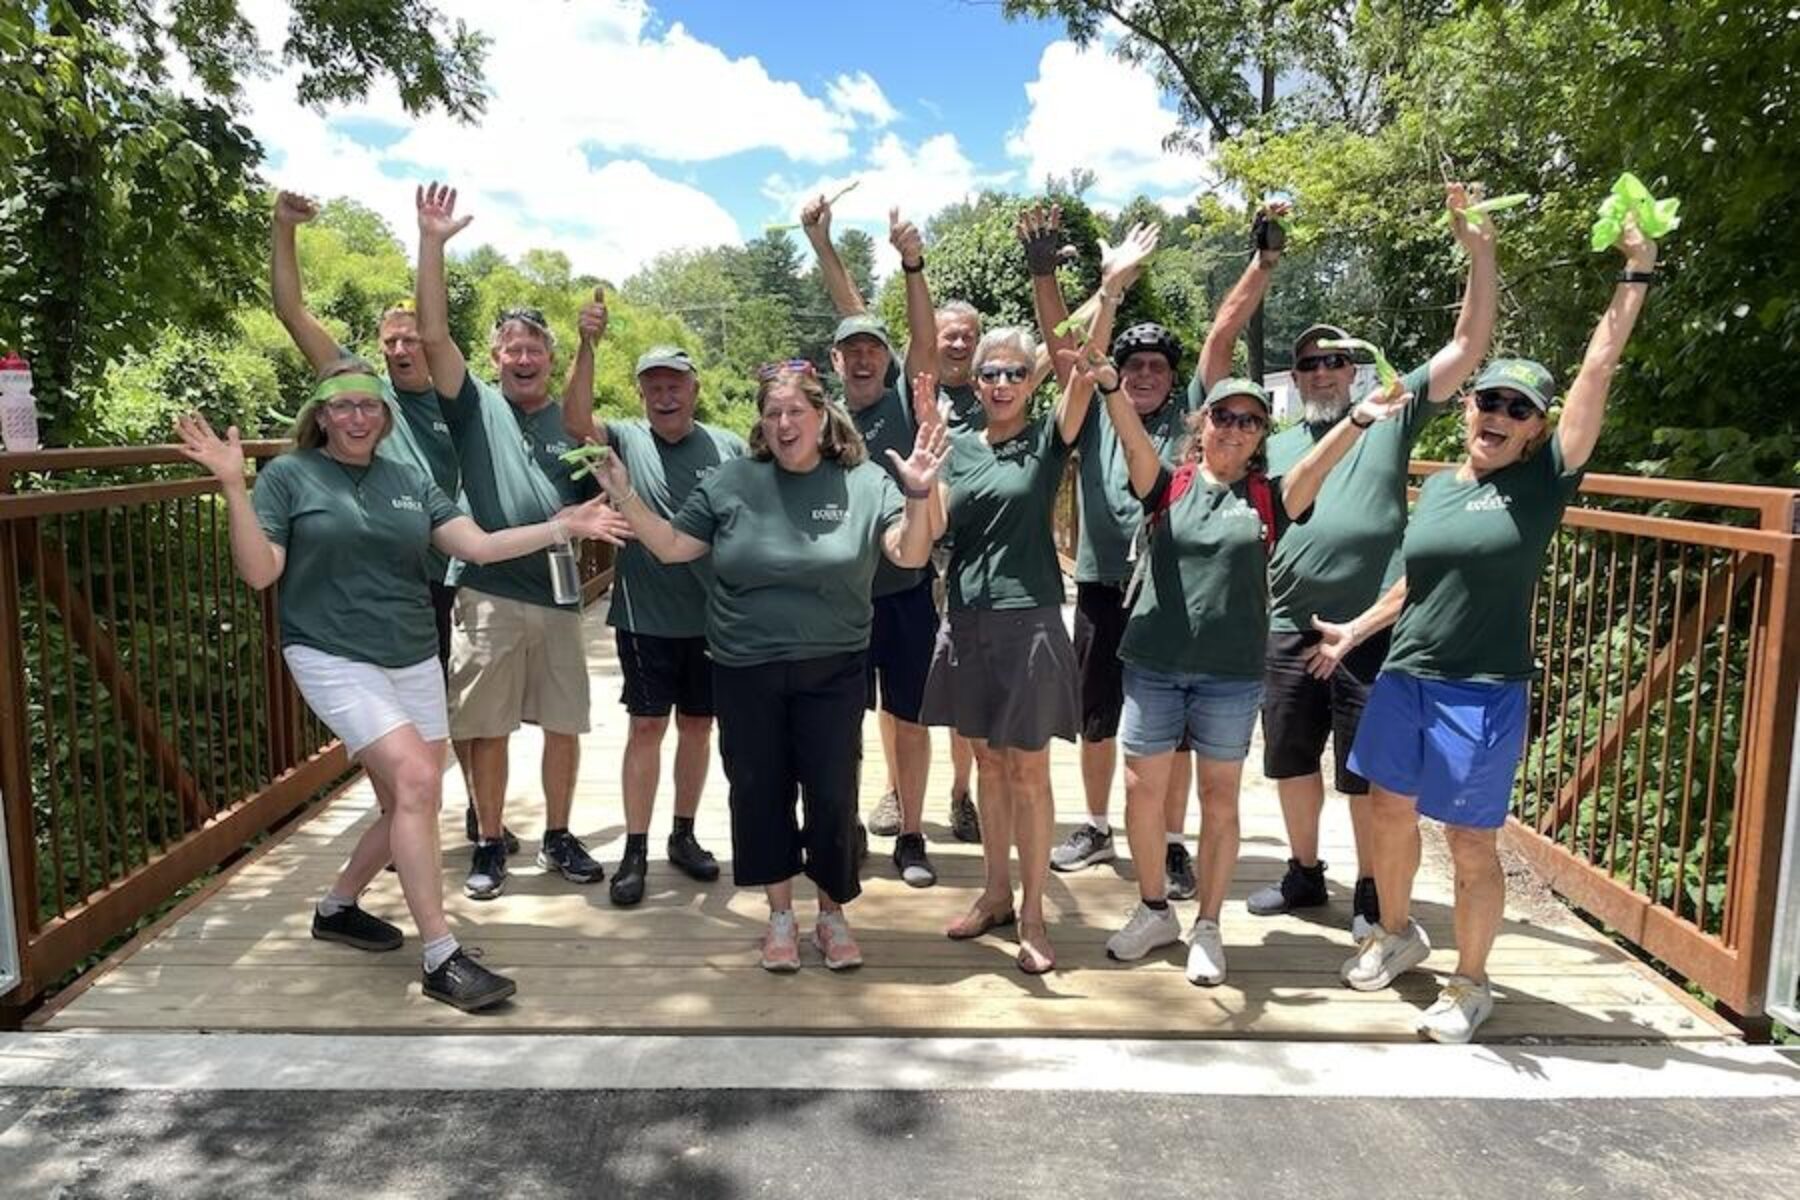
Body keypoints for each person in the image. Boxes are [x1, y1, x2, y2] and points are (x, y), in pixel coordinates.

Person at [173, 371, 626, 1011]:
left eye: (369, 406)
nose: (358, 418)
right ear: (321, 416)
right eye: (343, 407)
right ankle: (441, 955)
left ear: (383, 418)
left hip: (411, 652)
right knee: (416, 780)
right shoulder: (290, 476)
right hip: (330, 651)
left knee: (407, 798)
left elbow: (478, 545)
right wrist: (231, 487)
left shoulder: (409, 480)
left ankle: (336, 908)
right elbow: (259, 573)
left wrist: (564, 527)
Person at [1315, 219, 1659, 1042]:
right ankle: (1398, 935)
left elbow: (1599, 365)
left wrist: (1637, 270)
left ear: (1537, 426)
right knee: (1389, 811)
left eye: (1517, 408)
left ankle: (1471, 983)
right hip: (1406, 677)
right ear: (1468, 407)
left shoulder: (1544, 482)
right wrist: (1356, 630)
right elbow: (1415, 583)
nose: (1497, 414)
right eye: (1488, 400)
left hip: (1483, 690)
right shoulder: (1442, 488)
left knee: (1470, 839)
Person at [1198, 187, 1498, 938]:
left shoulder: (1391, 416)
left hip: (1370, 627)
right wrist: (1259, 264)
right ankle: (1305, 874)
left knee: (1366, 771)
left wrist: (1479, 253)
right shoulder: (1275, 436)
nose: (1324, 371)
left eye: (1336, 361)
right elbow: (1214, 357)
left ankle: (1373, 889)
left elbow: (1467, 348)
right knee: (1291, 760)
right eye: (1310, 363)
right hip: (1283, 623)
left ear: (1355, 370)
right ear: (1295, 378)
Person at [592, 364, 948, 970]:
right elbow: (674, 548)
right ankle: (780, 915)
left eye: (795, 411)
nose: (783, 423)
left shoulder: (862, 482)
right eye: (772, 412)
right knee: (759, 792)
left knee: (833, 795)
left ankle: (832, 916)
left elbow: (909, 553)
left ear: (822, 416)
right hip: (744, 666)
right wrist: (624, 491)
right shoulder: (732, 482)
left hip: (834, 667)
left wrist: (919, 492)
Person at [1073, 360, 1405, 983]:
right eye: (1224, 416)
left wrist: (1360, 418)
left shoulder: (1267, 499)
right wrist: (1112, 387)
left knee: (1218, 797)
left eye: (1250, 421)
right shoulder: (1169, 484)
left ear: (1260, 436)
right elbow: (1131, 438)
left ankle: (1207, 926)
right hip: (1154, 664)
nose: (1235, 428)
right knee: (1142, 792)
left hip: (1229, 673)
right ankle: (1153, 910)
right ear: (1204, 426)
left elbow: (1317, 466)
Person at [917, 214, 1151, 974]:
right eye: (991, 373)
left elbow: (1080, 367)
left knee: (1027, 770)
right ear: (976, 382)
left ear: (1029, 381)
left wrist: (1104, 292)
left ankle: (1034, 915)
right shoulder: (959, 448)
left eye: (1016, 372)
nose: (1003, 382)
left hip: (1029, 623)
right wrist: (919, 489)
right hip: (967, 621)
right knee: (986, 763)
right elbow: (939, 523)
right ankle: (991, 894)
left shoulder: (1049, 438)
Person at [267, 190, 517, 855]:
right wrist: (283, 228)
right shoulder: (360, 395)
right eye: (392, 340)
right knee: (391, 724)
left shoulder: (447, 400)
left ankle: (434, 816)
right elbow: (291, 312)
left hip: (431, 571)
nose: (405, 346)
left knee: (431, 710)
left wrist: (430, 242)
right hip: (357, 581)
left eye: (412, 338)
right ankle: (400, 823)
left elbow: (438, 330)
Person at [412, 181, 606, 901]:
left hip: (557, 598)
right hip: (489, 592)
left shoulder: (571, 421)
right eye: (511, 348)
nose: (523, 358)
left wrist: (589, 343)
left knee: (563, 724)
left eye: (535, 350)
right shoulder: (474, 408)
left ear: (548, 362)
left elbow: (595, 450)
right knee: (486, 727)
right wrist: (432, 244)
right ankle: (490, 842)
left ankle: (558, 835)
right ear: (495, 357)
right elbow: (433, 337)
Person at [1015, 204, 1197, 901]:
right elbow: (1068, 356)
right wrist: (1053, 277)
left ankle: (1174, 844)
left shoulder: (1192, 422)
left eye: (1157, 366)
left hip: (1172, 588)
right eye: (1133, 363)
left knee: (1175, 728)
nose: (1144, 373)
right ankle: (1095, 826)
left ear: (1171, 377)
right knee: (1096, 713)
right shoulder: (1095, 410)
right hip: (1100, 580)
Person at [802, 193, 983, 848]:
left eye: (874, 349)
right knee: (841, 722)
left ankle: (911, 833)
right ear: (836, 360)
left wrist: (913, 267)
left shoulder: (913, 398)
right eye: (851, 350)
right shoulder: (820, 415)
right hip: (841, 598)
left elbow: (917, 335)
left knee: (908, 718)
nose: (863, 358)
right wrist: (822, 244)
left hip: (905, 592)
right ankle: (845, 827)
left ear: (889, 358)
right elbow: (850, 308)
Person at [563, 304, 746, 906]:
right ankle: (634, 849)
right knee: (647, 726)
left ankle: (683, 836)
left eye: (675, 384)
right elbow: (573, 420)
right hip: (645, 615)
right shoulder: (622, 438)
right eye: (653, 386)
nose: (665, 396)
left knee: (698, 725)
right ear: (641, 394)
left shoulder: (728, 446)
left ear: (695, 389)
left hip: (713, 615)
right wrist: (587, 345)